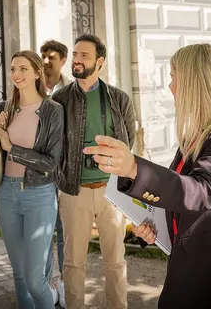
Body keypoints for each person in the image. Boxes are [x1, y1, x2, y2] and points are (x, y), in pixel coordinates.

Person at [83, 43, 211, 308]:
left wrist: (134, 168)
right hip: (188, 268)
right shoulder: (196, 137)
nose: (170, 86)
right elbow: (179, 196)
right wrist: (152, 226)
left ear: (196, 83)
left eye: (174, 77)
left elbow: (201, 193)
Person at [53, 34, 136, 309]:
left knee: (116, 262)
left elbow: (128, 142)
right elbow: (53, 143)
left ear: (99, 61)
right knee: (73, 263)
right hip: (73, 191)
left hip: (111, 191)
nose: (77, 60)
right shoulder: (60, 99)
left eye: (84, 55)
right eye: (76, 54)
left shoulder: (119, 99)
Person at [0, 50, 64, 309]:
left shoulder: (53, 110)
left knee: (35, 279)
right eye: (13, 69)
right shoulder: (4, 108)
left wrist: (12, 148)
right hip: (5, 194)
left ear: (36, 73)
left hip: (39, 194)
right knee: (20, 275)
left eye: (23, 69)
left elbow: (50, 163)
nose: (16, 74)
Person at [40, 39, 71, 307]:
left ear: (63, 60)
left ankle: (64, 281)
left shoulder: (73, 90)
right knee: (43, 229)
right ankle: (48, 281)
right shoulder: (34, 88)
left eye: (51, 57)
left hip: (65, 171)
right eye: (43, 56)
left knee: (64, 229)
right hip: (40, 170)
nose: (46, 61)